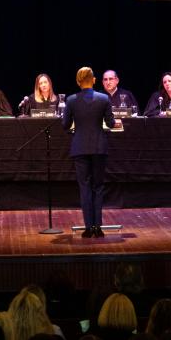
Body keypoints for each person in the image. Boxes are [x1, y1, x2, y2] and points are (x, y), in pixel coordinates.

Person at [62, 66, 115, 238]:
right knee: (98, 187)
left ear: (78, 82)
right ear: (93, 80)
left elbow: (65, 125)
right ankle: (97, 228)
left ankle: (87, 227)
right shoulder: (104, 99)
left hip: (79, 147)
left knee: (84, 187)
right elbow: (111, 123)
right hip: (99, 147)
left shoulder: (71, 100)